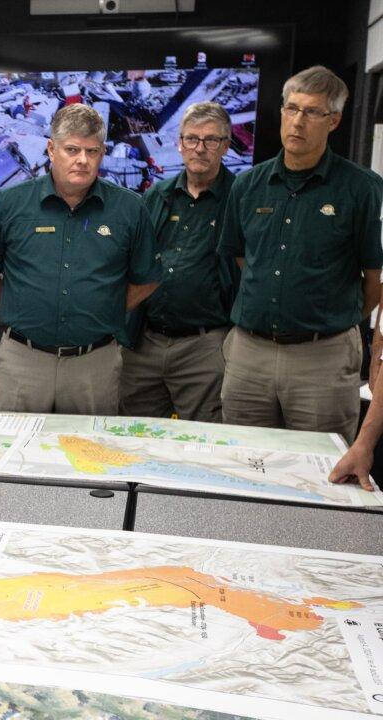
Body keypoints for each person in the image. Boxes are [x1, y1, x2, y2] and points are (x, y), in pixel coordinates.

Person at [218, 65, 382, 443]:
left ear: (334, 121)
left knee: (320, 465)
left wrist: (331, 318)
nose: (297, 121)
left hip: (322, 357)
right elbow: (244, 259)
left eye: (312, 112)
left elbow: (374, 281)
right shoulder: (248, 185)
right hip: (249, 355)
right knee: (242, 461)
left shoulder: (361, 189)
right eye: (291, 109)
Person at [0, 103, 160, 414]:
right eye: (72, 149)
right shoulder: (10, 203)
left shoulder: (129, 209)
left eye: (92, 151)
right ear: (51, 149)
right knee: (14, 444)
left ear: (102, 153)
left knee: (90, 446)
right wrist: (14, 307)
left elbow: (148, 278)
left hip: (94, 363)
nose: (82, 160)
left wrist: (106, 310)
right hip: (23, 360)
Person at [120, 102, 238, 422]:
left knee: (203, 439)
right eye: (192, 139)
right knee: (133, 434)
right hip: (145, 342)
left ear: (225, 146)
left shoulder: (239, 198)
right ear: (180, 143)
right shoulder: (157, 196)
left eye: (210, 140)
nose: (199, 148)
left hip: (205, 345)